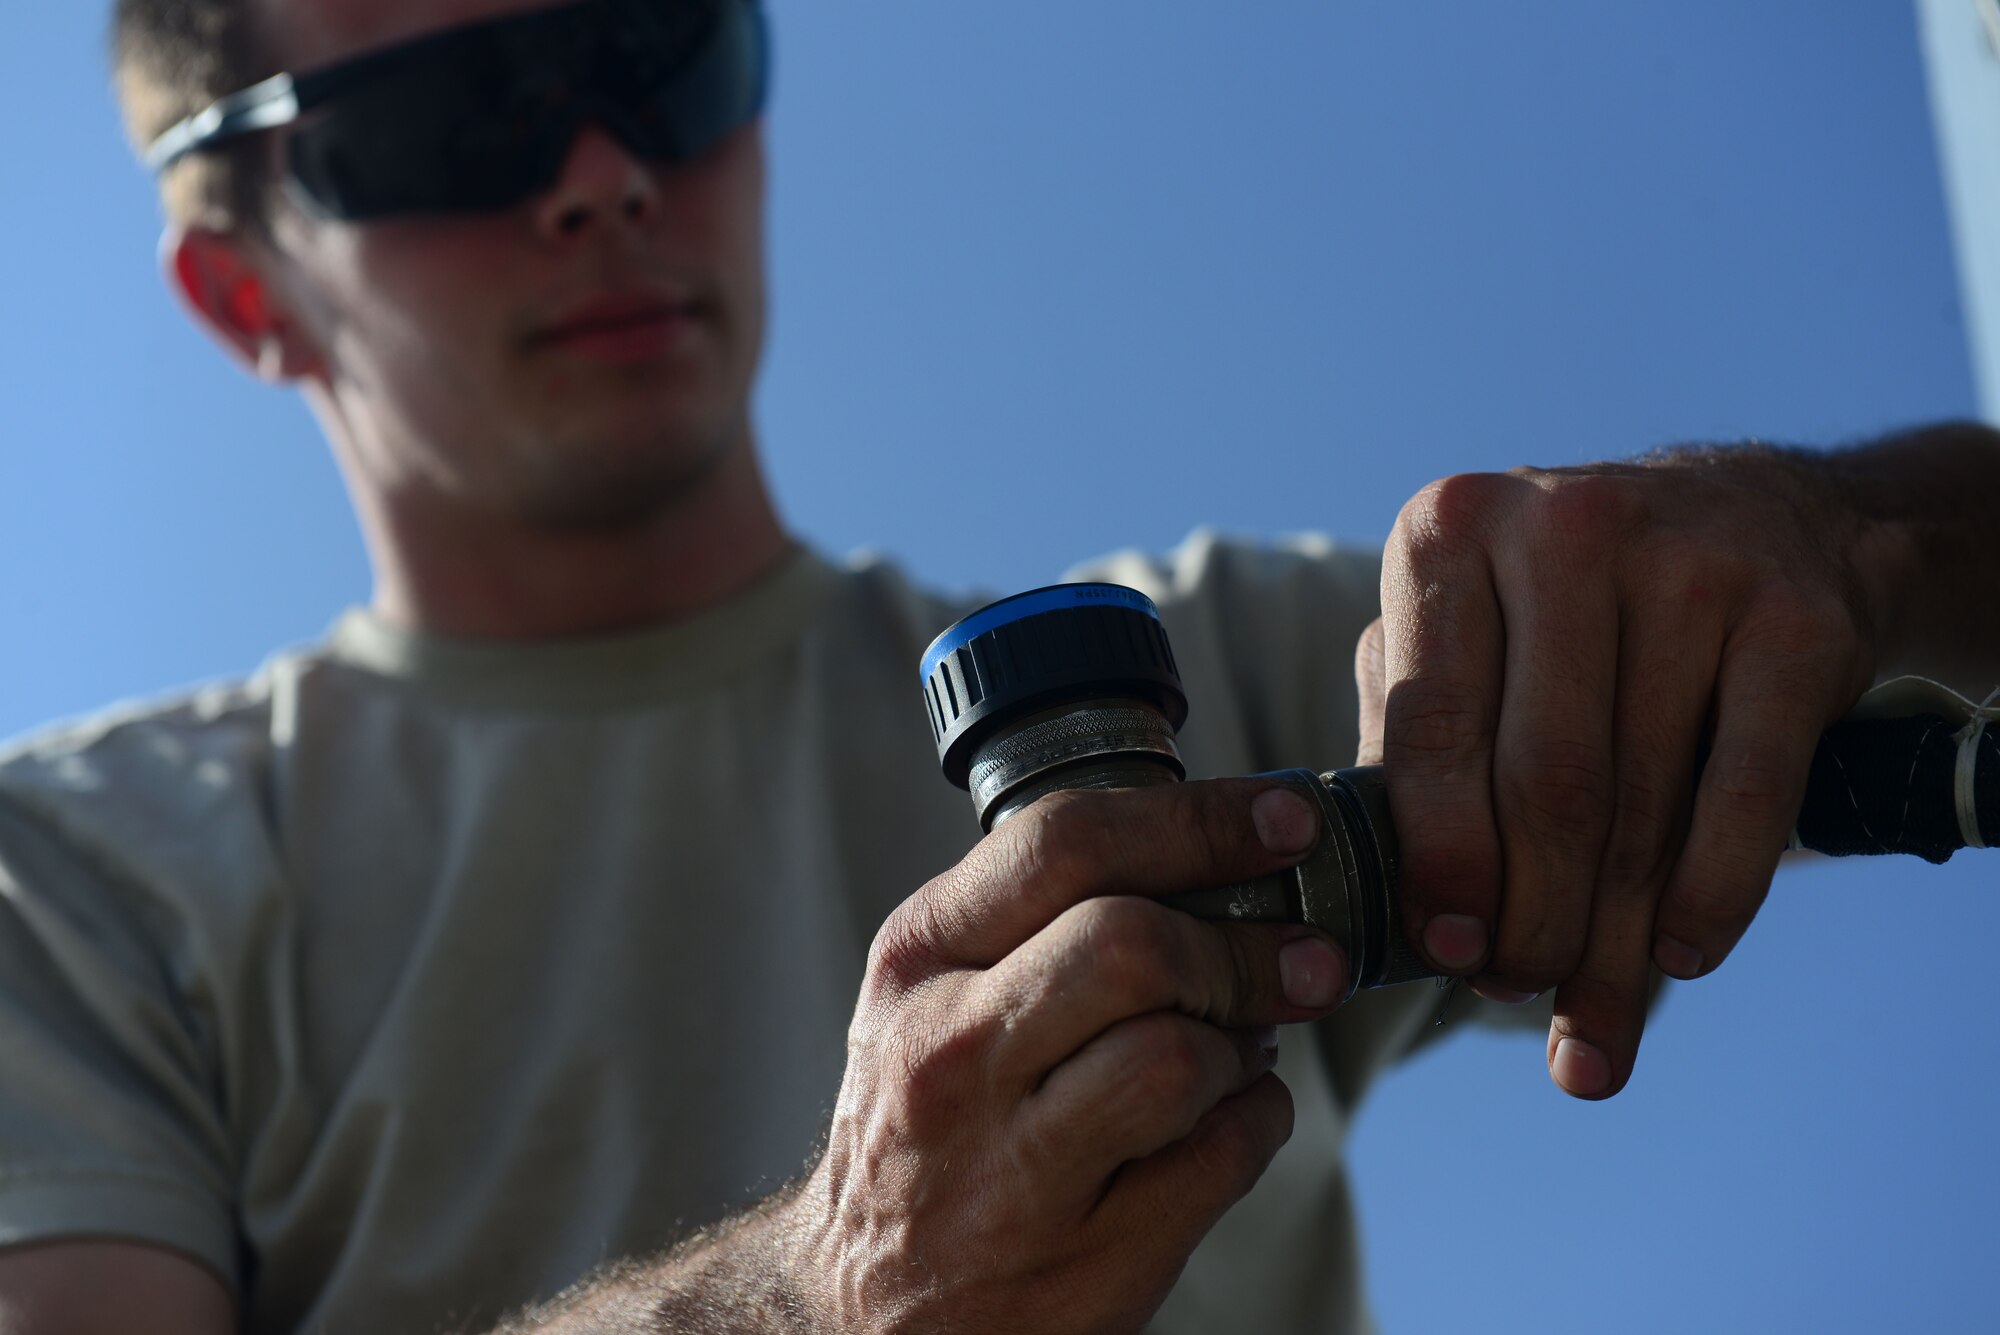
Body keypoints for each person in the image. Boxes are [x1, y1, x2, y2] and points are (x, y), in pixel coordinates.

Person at [1, 0, 1994, 1330]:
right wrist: (806, 1294)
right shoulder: (78, 877)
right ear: (242, 285)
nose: (602, 170)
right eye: (453, 117)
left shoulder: (1219, 672)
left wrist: (1837, 535)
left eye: (663, 55)